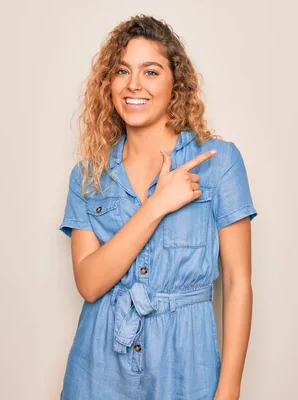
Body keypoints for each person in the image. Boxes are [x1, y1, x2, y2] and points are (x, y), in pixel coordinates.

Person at [58, 14, 258, 400]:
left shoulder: (218, 161)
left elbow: (237, 283)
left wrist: (229, 388)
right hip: (99, 370)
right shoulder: (88, 176)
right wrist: (157, 206)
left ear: (175, 84)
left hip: (185, 367)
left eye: (150, 72)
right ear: (109, 84)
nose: (134, 85)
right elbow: (90, 282)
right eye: (121, 71)